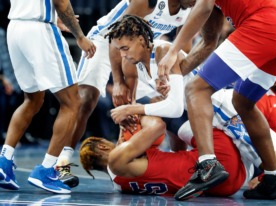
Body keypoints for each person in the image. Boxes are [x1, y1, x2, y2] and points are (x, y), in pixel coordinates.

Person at [157, 0, 276, 200]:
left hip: (263, 25)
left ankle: (207, 165)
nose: (184, 7)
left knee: (196, 90)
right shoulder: (217, 4)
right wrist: (175, 79)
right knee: (242, 102)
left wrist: (173, 51)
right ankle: (273, 180)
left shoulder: (206, 3)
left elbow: (203, 7)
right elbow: (208, 43)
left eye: (181, 3)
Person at [59, 0, 194, 185]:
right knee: (86, 100)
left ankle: (180, 159)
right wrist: (118, 81)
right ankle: (61, 164)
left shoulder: (189, 8)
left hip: (140, 50)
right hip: (107, 41)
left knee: (164, 102)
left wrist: (170, 79)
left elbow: (183, 47)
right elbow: (118, 38)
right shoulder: (148, 2)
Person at [0, 0, 96, 194]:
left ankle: (4, 161)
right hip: (39, 31)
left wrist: (51, 19)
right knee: (72, 102)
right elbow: (60, 2)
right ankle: (46, 169)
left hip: (16, 28)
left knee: (32, 100)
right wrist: (80, 36)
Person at [79, 116, 248, 197]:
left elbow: (171, 158)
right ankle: (267, 171)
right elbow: (159, 126)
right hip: (217, 164)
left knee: (178, 141)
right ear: (102, 146)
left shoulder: (119, 185)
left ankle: (259, 173)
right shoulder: (119, 157)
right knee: (181, 111)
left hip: (222, 189)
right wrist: (138, 112)